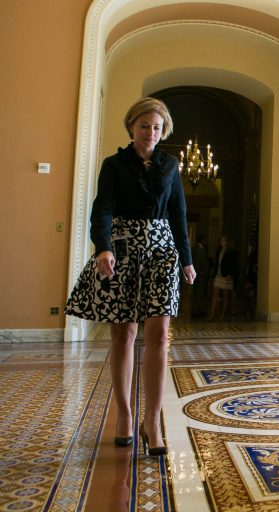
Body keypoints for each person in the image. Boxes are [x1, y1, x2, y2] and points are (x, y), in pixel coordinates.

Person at [66, 97, 196, 457]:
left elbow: (178, 214)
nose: (150, 132)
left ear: (163, 130)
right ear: (131, 127)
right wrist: (103, 247)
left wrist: (187, 259)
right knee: (123, 333)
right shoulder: (114, 164)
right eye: (144, 126)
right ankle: (124, 414)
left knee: (159, 335)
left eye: (157, 127)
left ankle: (151, 421)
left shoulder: (171, 166)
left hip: (162, 252)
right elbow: (102, 208)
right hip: (122, 250)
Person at [209, 235, 238, 321]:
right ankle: (212, 315)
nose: (222, 242)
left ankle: (222, 315)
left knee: (225, 295)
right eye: (221, 240)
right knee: (215, 295)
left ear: (227, 242)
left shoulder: (231, 252)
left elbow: (233, 264)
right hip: (218, 275)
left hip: (226, 276)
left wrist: (230, 274)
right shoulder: (218, 251)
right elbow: (216, 264)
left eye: (224, 240)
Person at [191, 235, 210, 317]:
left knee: (200, 293)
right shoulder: (198, 249)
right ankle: (195, 311)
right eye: (205, 240)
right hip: (199, 276)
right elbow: (197, 263)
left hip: (200, 275)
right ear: (201, 240)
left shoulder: (199, 248)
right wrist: (201, 272)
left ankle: (198, 310)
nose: (206, 242)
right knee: (198, 293)